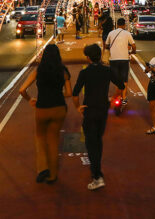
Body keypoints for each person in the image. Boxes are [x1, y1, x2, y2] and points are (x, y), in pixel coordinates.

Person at [72, 42, 124, 190]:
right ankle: (97, 171)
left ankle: (97, 176)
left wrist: (78, 107)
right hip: (103, 109)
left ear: (88, 58)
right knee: (98, 140)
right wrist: (114, 99)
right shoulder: (107, 70)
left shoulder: (85, 72)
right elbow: (121, 85)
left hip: (89, 109)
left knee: (90, 142)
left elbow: (75, 93)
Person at [18, 43, 71, 184]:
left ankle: (43, 169)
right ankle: (53, 176)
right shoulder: (63, 71)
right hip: (59, 107)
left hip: (42, 108)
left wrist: (30, 99)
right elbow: (69, 93)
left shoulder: (38, 71)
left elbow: (22, 89)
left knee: (40, 137)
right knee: (54, 141)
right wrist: (58, 95)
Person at [104, 17, 135, 106]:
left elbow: (106, 45)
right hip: (124, 60)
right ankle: (124, 97)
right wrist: (133, 52)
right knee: (124, 79)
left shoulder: (111, 33)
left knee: (116, 78)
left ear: (116, 25)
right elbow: (133, 45)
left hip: (113, 60)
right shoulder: (127, 33)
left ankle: (116, 96)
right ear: (124, 25)